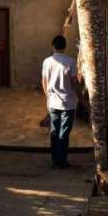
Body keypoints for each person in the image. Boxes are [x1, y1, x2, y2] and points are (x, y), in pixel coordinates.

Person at [42, 35, 78, 168]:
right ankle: (60, 161)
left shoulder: (47, 61)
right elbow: (74, 82)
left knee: (54, 132)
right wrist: (81, 97)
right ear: (65, 47)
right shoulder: (71, 62)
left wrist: (48, 96)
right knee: (64, 133)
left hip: (53, 102)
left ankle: (55, 159)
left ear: (53, 46)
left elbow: (44, 81)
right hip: (68, 103)